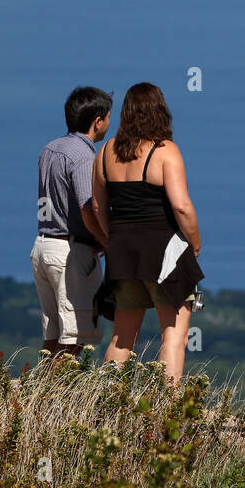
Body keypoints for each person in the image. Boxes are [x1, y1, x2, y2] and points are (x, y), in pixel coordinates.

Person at [91, 83, 202, 383]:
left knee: (122, 338)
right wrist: (194, 243)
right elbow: (181, 207)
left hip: (122, 254)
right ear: (160, 111)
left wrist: (111, 239)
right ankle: (169, 413)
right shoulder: (165, 151)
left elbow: (99, 209)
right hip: (163, 252)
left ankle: (105, 406)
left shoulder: (105, 152)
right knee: (174, 336)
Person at [31, 87, 112, 357]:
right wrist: (104, 240)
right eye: (109, 118)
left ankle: (40, 394)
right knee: (74, 339)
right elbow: (87, 207)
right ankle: (58, 397)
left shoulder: (49, 149)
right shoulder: (83, 157)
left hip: (43, 244)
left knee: (52, 336)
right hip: (69, 251)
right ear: (97, 121)